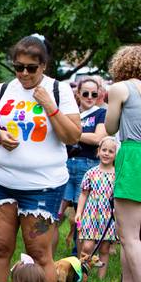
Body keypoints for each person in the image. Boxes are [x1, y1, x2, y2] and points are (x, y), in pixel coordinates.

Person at [0, 35, 80, 282]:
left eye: (30, 68)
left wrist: (50, 106)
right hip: (4, 181)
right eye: (18, 67)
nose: (23, 74)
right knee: (0, 246)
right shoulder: (4, 90)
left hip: (44, 185)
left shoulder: (58, 91)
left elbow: (72, 136)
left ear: (43, 66)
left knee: (39, 252)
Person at [105, 45, 141, 282]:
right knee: (131, 236)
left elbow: (110, 126)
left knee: (129, 234)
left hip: (133, 155)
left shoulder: (120, 88)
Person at [59, 77, 107, 252]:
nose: (89, 97)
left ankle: (78, 267)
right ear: (78, 94)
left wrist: (72, 132)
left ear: (99, 95)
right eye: (85, 93)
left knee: (81, 219)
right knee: (54, 216)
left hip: (88, 167)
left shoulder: (101, 113)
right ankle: (45, 261)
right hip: (65, 165)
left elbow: (98, 138)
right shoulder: (70, 113)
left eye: (94, 94)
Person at [75, 136, 119, 280]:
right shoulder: (91, 173)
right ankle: (82, 273)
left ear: (115, 155)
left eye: (111, 151)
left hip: (108, 215)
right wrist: (79, 212)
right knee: (87, 246)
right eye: (104, 150)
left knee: (105, 248)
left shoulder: (117, 175)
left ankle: (101, 279)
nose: (106, 153)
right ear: (98, 152)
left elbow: (118, 198)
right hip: (90, 213)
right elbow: (83, 194)